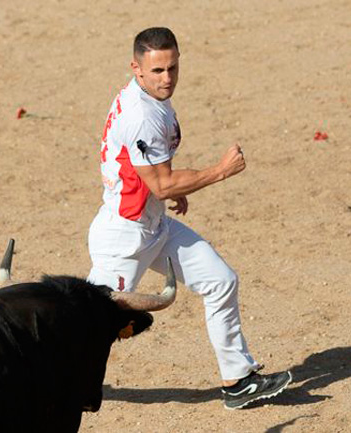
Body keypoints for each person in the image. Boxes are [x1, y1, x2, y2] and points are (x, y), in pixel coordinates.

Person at [87, 27, 291, 410]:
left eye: (173, 68)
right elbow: (161, 184)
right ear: (137, 68)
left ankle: (238, 380)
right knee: (85, 323)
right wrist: (220, 171)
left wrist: (168, 188)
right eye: (158, 71)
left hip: (152, 226)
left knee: (220, 280)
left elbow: (151, 177)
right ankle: (29, 379)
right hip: (124, 237)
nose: (168, 79)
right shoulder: (142, 114)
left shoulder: (147, 96)